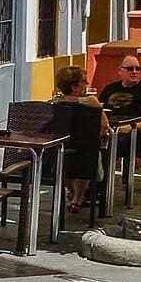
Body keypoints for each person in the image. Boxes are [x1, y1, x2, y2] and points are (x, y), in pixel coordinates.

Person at [53, 65, 103, 214]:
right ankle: (78, 198)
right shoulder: (91, 102)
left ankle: (74, 194)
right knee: (88, 151)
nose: (86, 84)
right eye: (84, 81)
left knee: (70, 157)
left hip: (60, 159)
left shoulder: (55, 106)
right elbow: (104, 125)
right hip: (87, 160)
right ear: (75, 87)